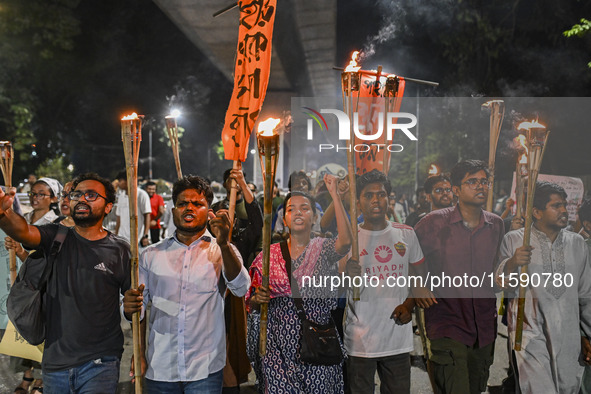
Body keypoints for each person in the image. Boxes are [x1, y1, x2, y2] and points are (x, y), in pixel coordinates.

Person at [0, 172, 131, 393]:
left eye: (91, 195)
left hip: (101, 363)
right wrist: (3, 213)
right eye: (77, 194)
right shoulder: (56, 236)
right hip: (55, 362)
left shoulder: (120, 249)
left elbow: (131, 305)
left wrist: (132, 305)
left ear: (108, 206)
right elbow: (23, 231)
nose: (81, 199)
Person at [123, 175, 250, 393]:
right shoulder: (151, 255)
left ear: (208, 211)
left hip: (205, 369)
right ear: (173, 211)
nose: (189, 208)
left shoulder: (222, 252)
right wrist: (138, 349)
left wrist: (224, 244)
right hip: (160, 367)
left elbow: (240, 287)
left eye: (197, 204)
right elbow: (138, 311)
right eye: (182, 203)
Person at [246, 174, 352, 393]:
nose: (298, 213)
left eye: (305, 208)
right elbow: (252, 302)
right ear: (284, 218)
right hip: (277, 348)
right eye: (291, 209)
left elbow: (346, 242)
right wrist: (258, 298)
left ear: (314, 217)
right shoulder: (267, 255)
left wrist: (336, 196)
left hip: (317, 344)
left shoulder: (323, 248)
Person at [412, 160, 505, 394]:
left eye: (484, 181)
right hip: (447, 322)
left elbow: (496, 273)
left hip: (484, 325)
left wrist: (508, 270)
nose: (480, 186)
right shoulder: (433, 223)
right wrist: (417, 286)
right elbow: (406, 257)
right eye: (472, 181)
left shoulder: (496, 225)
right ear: (456, 190)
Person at [497, 182, 591, 393]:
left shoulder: (577, 243)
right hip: (530, 333)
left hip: (568, 335)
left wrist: (586, 334)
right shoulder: (514, 240)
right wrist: (512, 263)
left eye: (565, 205)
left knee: (568, 387)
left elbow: (585, 294)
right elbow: (501, 284)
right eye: (556, 206)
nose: (564, 210)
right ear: (536, 212)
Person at [343, 170, 424, 393]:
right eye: (368, 196)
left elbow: (420, 279)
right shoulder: (350, 238)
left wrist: (409, 306)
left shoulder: (406, 235)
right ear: (358, 202)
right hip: (360, 342)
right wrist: (346, 274)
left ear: (389, 199)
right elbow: (333, 287)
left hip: (397, 339)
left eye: (381, 194)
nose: (375, 200)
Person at [211, 168, 262, 392]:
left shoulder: (245, 224)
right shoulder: (215, 213)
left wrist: (241, 182)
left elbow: (258, 220)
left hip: (238, 290)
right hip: (213, 289)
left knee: (234, 342)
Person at [5, 177, 62, 262]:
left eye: (41, 194)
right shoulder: (22, 219)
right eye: (32, 193)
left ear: (54, 198)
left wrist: (21, 252)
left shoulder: (57, 225)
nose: (35, 197)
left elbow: (47, 264)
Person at [114, 170, 151, 247]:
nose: (118, 183)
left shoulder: (141, 195)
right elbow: (118, 218)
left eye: (120, 181)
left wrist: (145, 235)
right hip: (122, 239)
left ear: (128, 180)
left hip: (137, 239)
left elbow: (147, 215)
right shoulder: (121, 196)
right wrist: (116, 236)